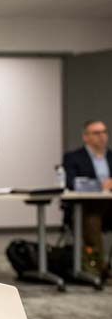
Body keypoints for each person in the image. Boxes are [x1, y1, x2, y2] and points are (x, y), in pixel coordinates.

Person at [63, 119, 112, 279]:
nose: (102, 136)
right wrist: (101, 184)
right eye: (96, 133)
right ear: (86, 137)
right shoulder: (73, 158)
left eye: (104, 132)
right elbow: (71, 183)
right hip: (86, 207)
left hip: (109, 206)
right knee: (91, 219)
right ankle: (99, 268)